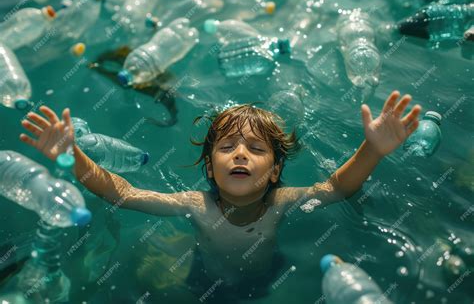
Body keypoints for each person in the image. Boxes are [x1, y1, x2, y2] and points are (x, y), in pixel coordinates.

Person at [19, 90, 421, 302]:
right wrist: (73, 158)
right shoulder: (197, 205)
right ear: (210, 168)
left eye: (257, 150)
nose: (241, 153)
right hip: (204, 275)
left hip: (268, 273)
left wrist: (373, 150)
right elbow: (124, 193)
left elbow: (336, 188)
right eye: (228, 147)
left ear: (275, 171)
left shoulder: (280, 201)